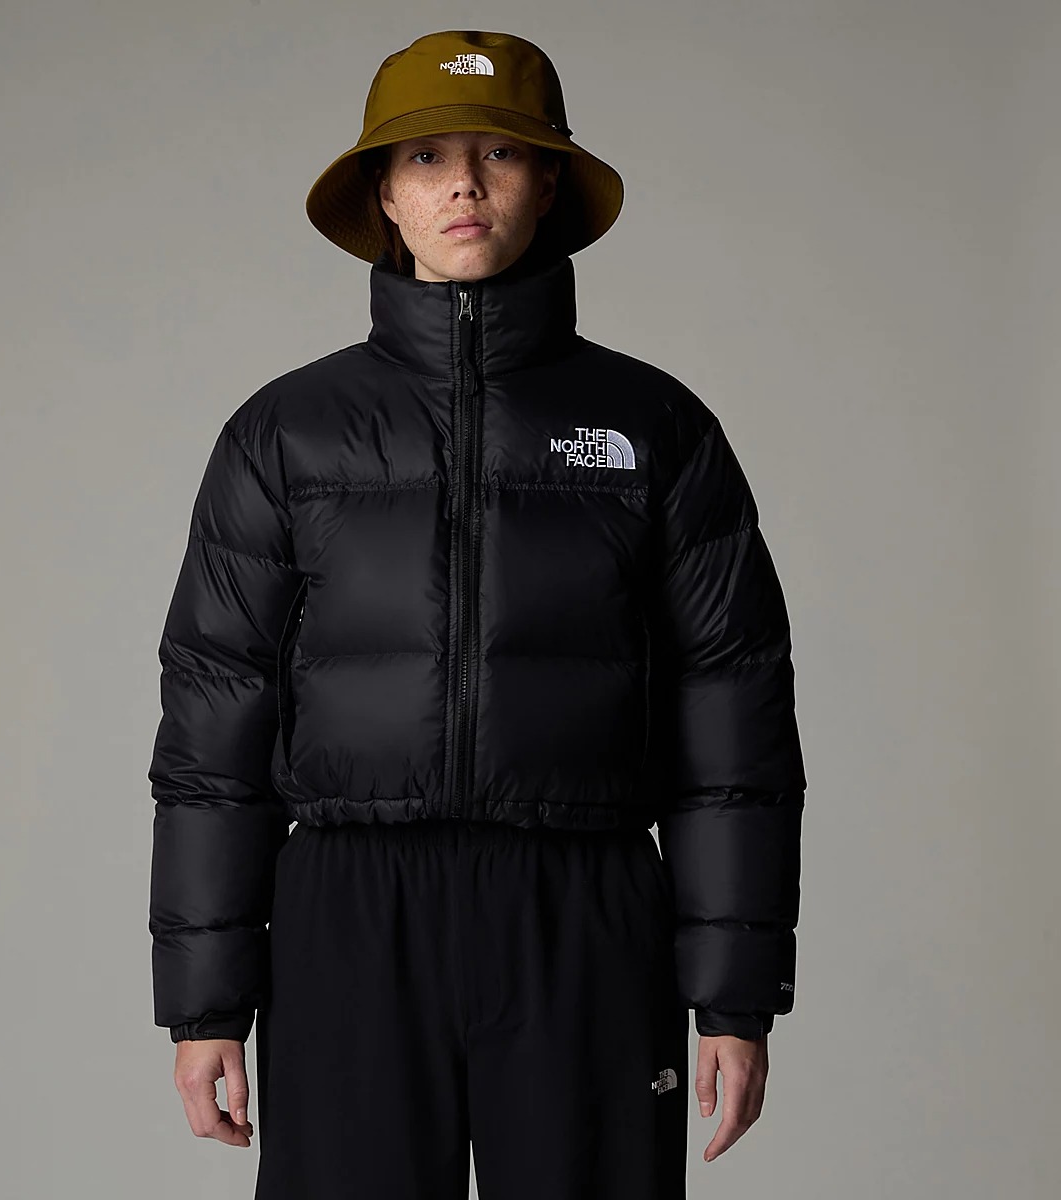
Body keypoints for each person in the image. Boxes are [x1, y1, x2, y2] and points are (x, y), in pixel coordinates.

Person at [147, 29, 806, 1200]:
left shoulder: (656, 427)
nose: (463, 184)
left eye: (499, 152)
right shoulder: (285, 434)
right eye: (427, 157)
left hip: (584, 908)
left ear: (548, 182)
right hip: (348, 912)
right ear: (382, 194)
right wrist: (205, 1007)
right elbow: (214, 722)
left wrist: (733, 997)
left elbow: (734, 715)